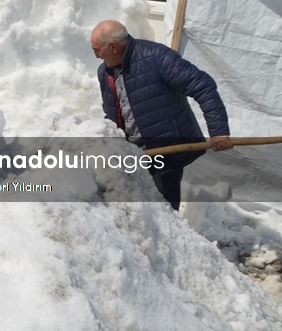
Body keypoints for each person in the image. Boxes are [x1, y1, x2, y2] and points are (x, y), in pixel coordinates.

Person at [91, 20, 232, 210]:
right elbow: (112, 113)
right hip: (133, 154)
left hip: (166, 152)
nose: (96, 56)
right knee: (135, 208)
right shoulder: (105, 72)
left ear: (114, 47)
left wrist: (219, 131)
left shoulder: (157, 57)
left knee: (162, 208)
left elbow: (202, 86)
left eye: (97, 49)